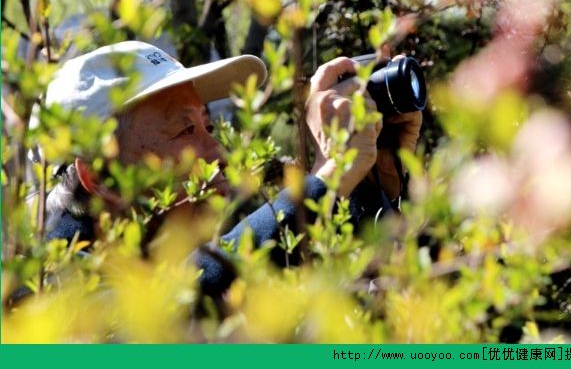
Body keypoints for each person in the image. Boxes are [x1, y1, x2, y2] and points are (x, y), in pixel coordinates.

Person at [41, 41, 422, 301]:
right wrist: (328, 178)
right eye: (185, 129)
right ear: (99, 177)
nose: (218, 151)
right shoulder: (52, 288)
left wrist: (373, 183)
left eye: (208, 126)